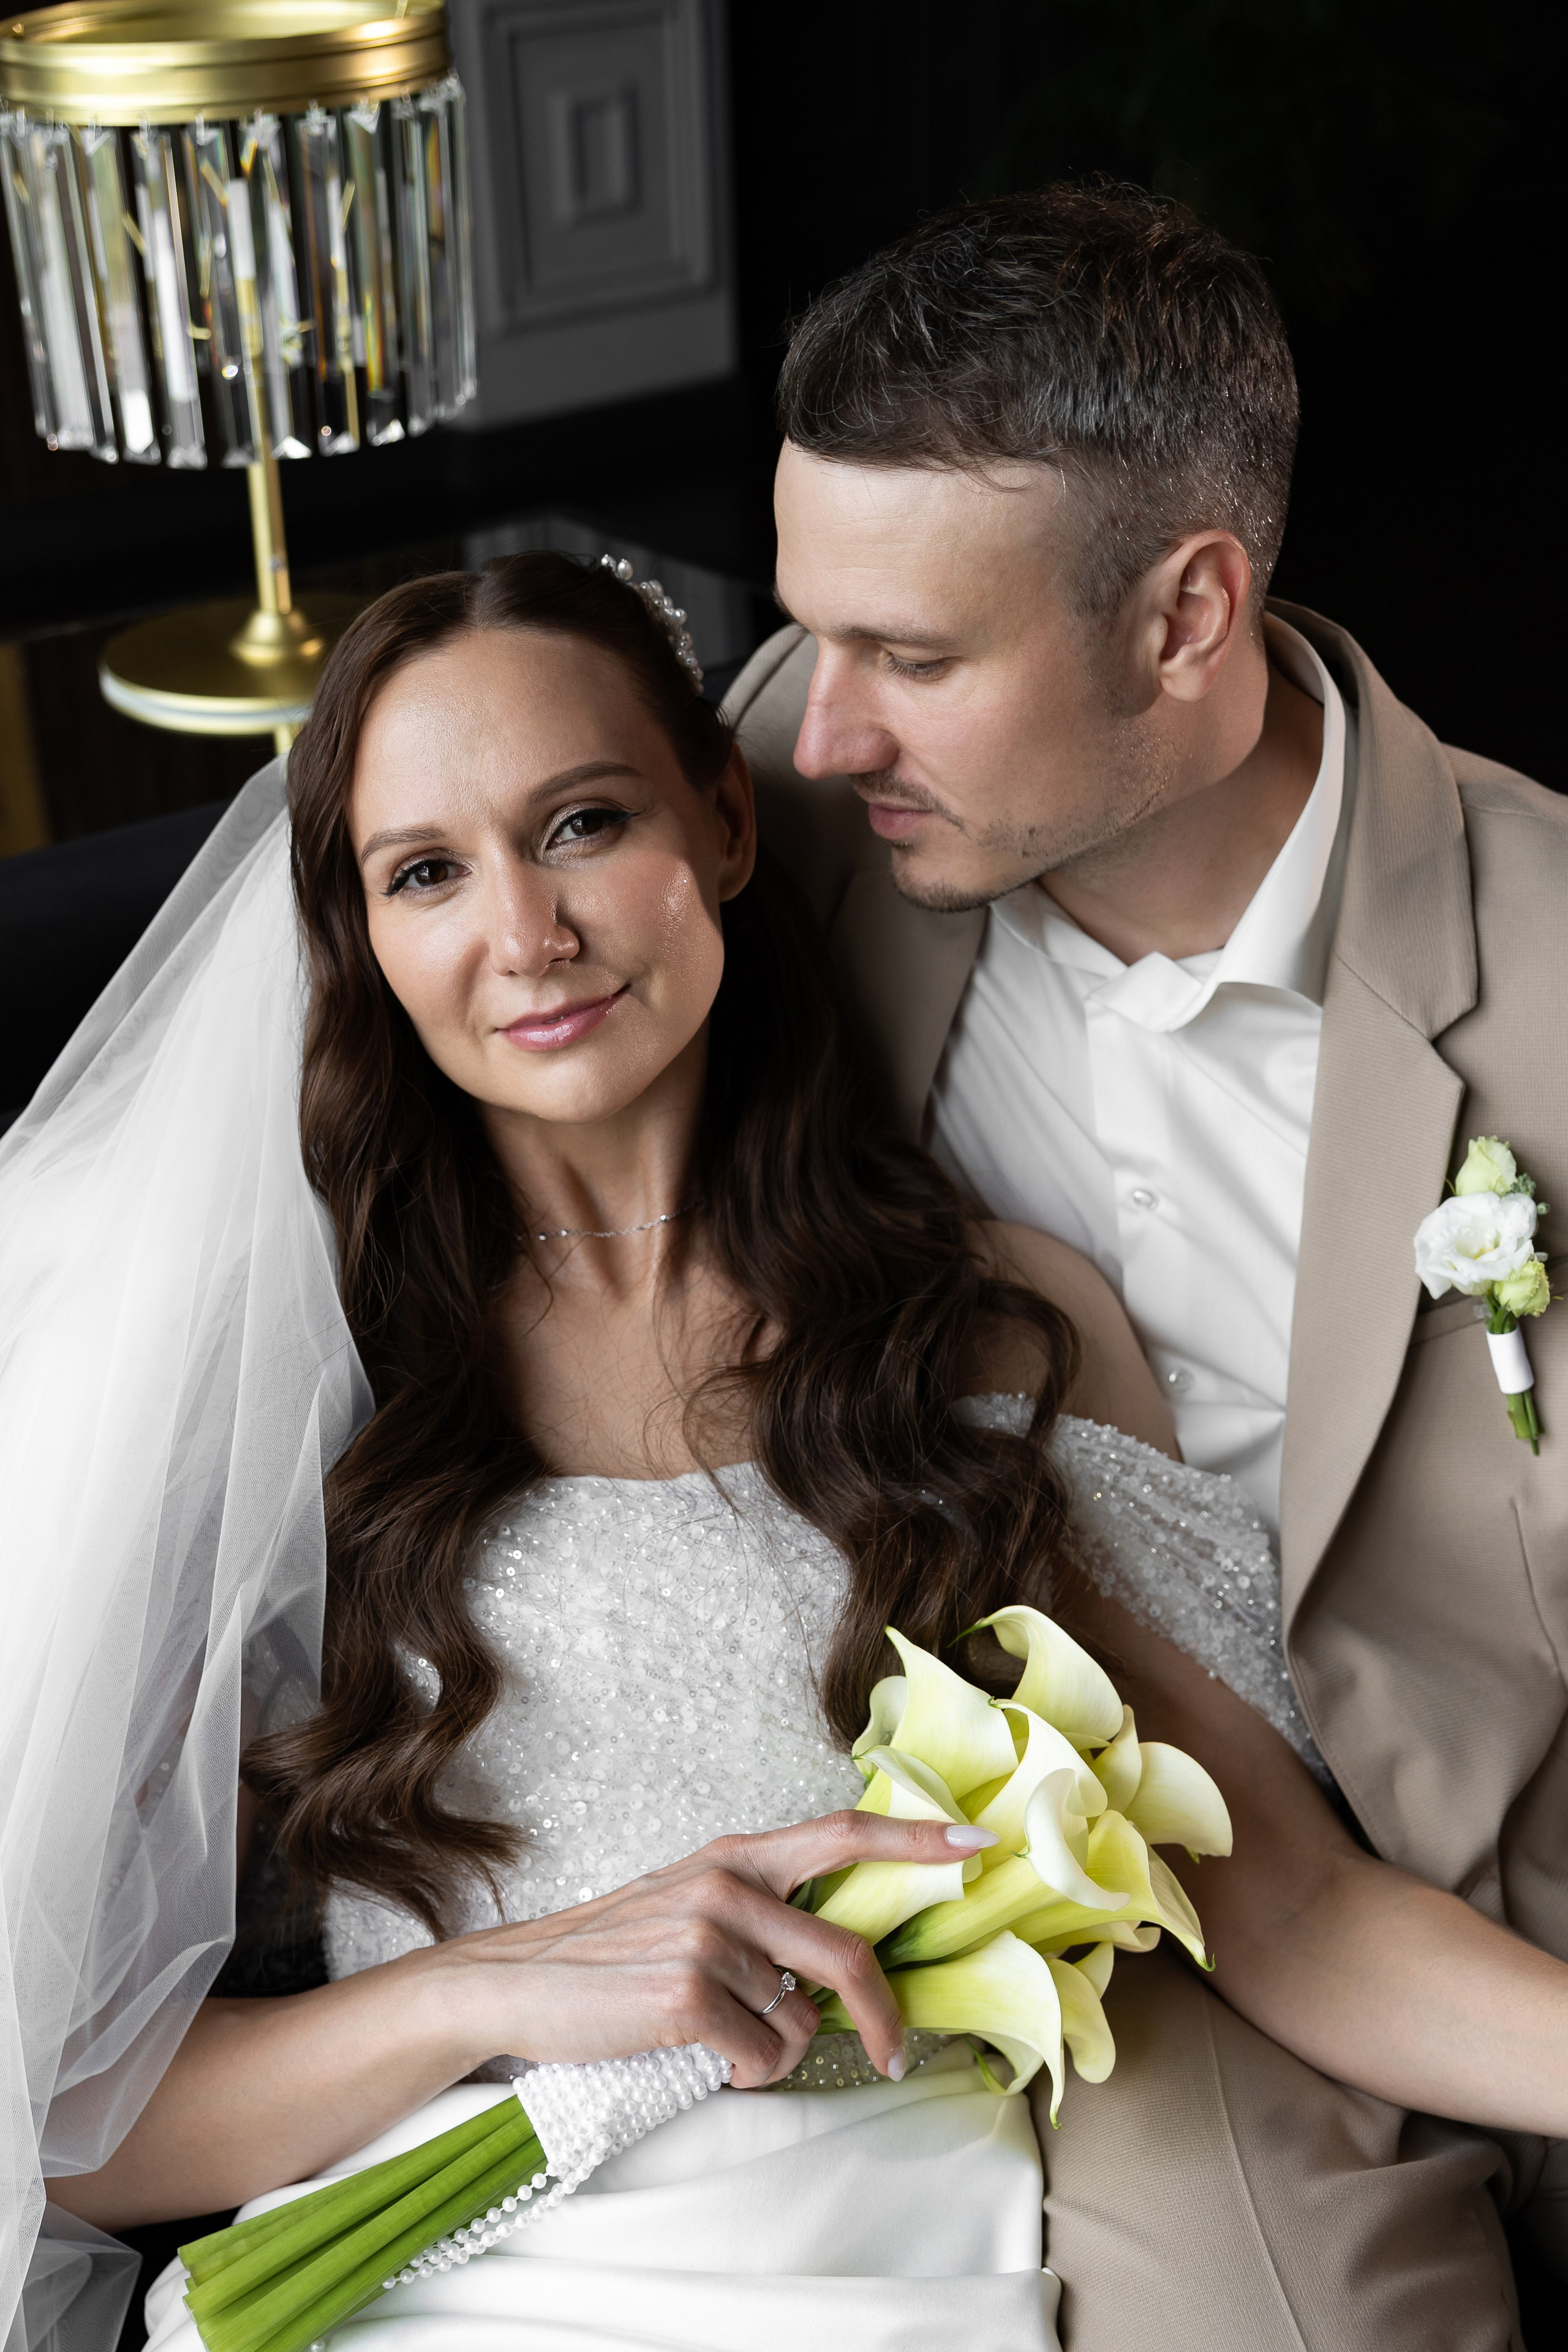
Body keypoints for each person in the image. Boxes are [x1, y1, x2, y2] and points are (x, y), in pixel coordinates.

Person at [11, 554, 1567, 2352]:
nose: (527, 934)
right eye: (426, 872)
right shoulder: (313, 1381)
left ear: (727, 826)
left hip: (894, 2265)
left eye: (583, 825)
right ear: (359, 937)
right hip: (435, 2269)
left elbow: (1290, 1909)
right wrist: (487, 1993)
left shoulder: (976, 1327)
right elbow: (72, 2129)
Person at [722, 180, 1568, 2344]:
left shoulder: (1555, 976)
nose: (822, 731)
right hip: (1152, 1910)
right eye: (816, 632)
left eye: (916, 660)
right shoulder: (773, 827)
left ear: (1189, 615)